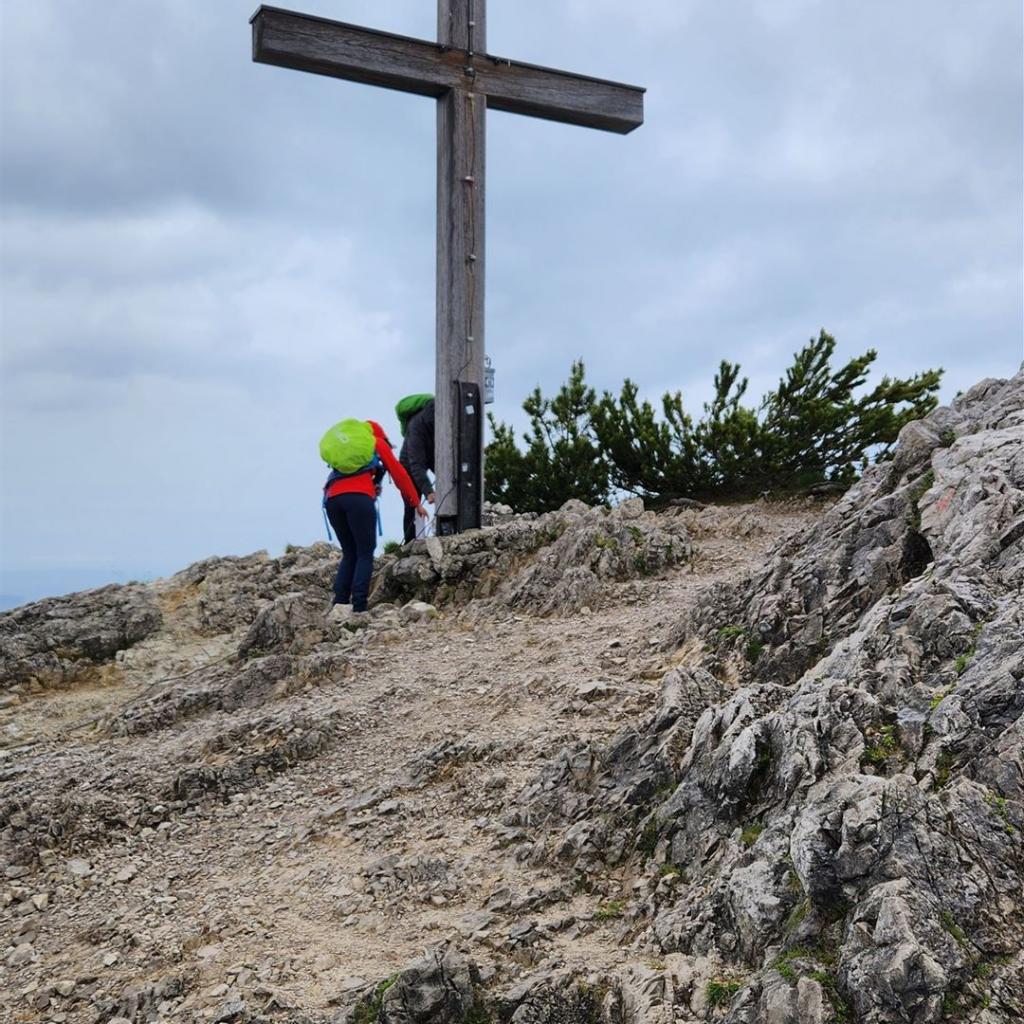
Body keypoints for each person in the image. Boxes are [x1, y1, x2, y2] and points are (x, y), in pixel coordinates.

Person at [324, 420, 426, 616]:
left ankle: (340, 603)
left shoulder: (349, 450)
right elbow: (399, 474)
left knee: (349, 552)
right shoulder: (376, 443)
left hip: (332, 500)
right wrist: (416, 502)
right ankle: (360, 607)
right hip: (359, 499)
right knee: (364, 552)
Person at [399, 398, 436, 543]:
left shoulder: (439, 420)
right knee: (412, 504)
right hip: (407, 466)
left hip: (427, 459)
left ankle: (419, 540)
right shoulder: (415, 426)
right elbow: (416, 464)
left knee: (415, 504)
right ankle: (410, 543)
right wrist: (428, 491)